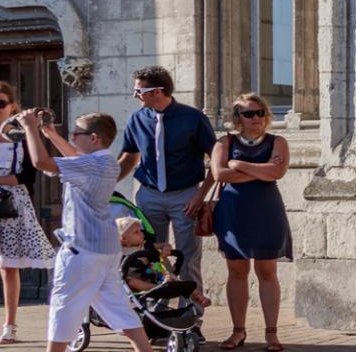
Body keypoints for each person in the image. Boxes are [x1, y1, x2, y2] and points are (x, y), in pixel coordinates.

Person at [14, 108, 158, 352]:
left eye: (76, 134)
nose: (72, 138)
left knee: (63, 307)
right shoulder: (107, 162)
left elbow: (41, 162)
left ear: (93, 138)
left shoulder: (91, 164)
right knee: (118, 307)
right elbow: (73, 158)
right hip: (105, 250)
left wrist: (29, 127)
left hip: (81, 250)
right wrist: (50, 134)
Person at [118, 66, 218, 307]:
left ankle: (190, 319)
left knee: (189, 257)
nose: (135, 96)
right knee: (150, 257)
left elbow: (216, 159)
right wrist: (104, 184)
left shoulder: (193, 118)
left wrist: (200, 196)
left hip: (186, 195)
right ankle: (157, 315)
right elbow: (129, 158)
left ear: (158, 92)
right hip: (149, 196)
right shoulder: (137, 119)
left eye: (139, 91)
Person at [0, 82, 55, 348]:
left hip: (14, 205)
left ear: (12, 107)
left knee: (9, 266)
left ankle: (10, 326)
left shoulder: (19, 135)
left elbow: (28, 176)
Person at [210, 94, 292, 351]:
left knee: (268, 272)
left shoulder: (278, 142)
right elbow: (219, 174)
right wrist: (261, 170)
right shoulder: (225, 142)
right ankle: (237, 331)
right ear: (238, 118)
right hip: (234, 211)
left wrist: (240, 165)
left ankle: (271, 333)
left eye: (259, 112)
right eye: (248, 113)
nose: (255, 117)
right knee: (237, 271)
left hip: (267, 210)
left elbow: (277, 172)